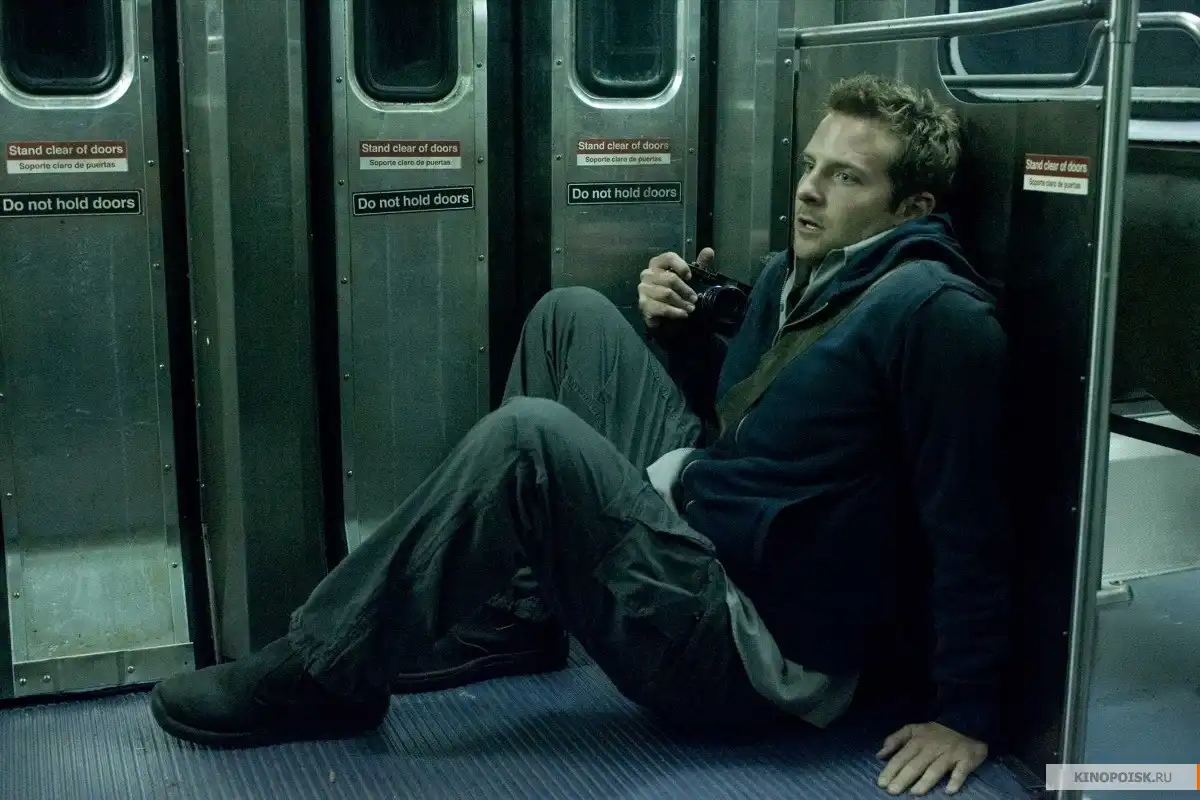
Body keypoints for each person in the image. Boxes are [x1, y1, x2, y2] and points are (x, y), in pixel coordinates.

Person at [150, 73, 1008, 797]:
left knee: (532, 439)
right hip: (711, 520)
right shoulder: (802, 273)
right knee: (571, 317)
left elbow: (968, 519)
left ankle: (325, 669)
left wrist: (966, 713)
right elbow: (760, 422)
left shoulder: (935, 316)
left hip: (750, 651)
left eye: (847, 178)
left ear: (913, 207)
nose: (810, 190)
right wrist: (683, 334)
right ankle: (523, 618)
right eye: (811, 165)